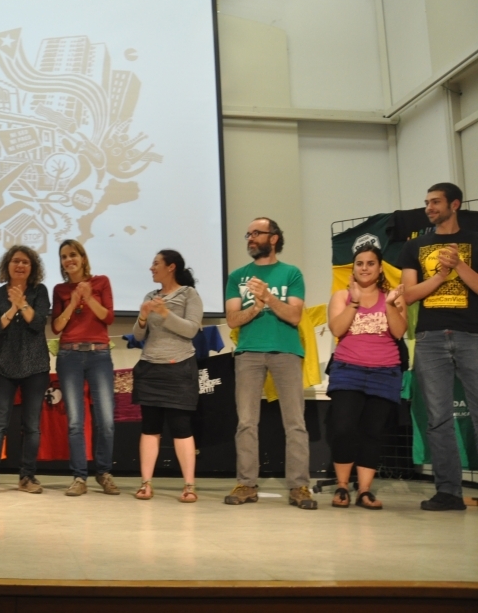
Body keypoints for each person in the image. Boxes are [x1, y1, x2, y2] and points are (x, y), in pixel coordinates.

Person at [224, 218, 316, 509]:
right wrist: (256, 307)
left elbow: (295, 316)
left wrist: (267, 297)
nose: (250, 238)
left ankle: (299, 487)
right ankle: (246, 484)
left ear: (273, 238)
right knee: (246, 422)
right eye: (248, 234)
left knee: (295, 422)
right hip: (248, 352)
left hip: (286, 351)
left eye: (256, 233)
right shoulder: (237, 276)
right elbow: (232, 319)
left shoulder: (291, 273)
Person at [399, 182, 478, 511]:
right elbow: (408, 295)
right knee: (438, 418)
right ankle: (448, 492)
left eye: (435, 202)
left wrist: (459, 265)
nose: (429, 208)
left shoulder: (475, 239)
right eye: (427, 202)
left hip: (472, 335)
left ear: (454, 204)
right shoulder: (414, 246)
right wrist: (440, 276)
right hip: (429, 338)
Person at [326, 244, 406, 510]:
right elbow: (337, 328)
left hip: (385, 372)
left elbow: (398, 332)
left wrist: (391, 304)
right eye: (359, 263)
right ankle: (342, 486)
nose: (364, 268)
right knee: (343, 429)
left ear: (380, 268)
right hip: (348, 370)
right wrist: (355, 302)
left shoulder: (392, 297)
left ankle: (364, 491)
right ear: (353, 268)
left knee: (373, 432)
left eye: (370, 263)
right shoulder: (342, 296)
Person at [0, 245, 51, 495]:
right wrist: (13, 307)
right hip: (3, 367)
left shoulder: (40, 291)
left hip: (35, 366)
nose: (20, 265)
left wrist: (23, 304)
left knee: (32, 426)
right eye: (16, 261)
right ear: (7, 265)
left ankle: (27, 477)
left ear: (32, 268)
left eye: (25, 262)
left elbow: (38, 323)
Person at [131, 250, 203, 502]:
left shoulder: (189, 294)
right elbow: (138, 336)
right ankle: (146, 484)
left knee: (181, 427)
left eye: (156, 264)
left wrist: (164, 313)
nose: (151, 268)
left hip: (179, 367)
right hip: (150, 367)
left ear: (171, 267)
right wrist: (142, 317)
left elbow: (191, 329)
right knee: (149, 427)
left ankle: (189, 486)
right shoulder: (150, 296)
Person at [51, 239, 118, 497]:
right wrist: (72, 302)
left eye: (73, 255)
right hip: (69, 355)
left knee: (106, 420)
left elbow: (108, 317)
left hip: (99, 354)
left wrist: (88, 297)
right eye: (64, 257)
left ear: (83, 258)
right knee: (75, 421)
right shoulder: (60, 289)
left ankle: (104, 472)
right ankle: (79, 477)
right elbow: (57, 327)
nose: (69, 260)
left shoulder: (101, 282)